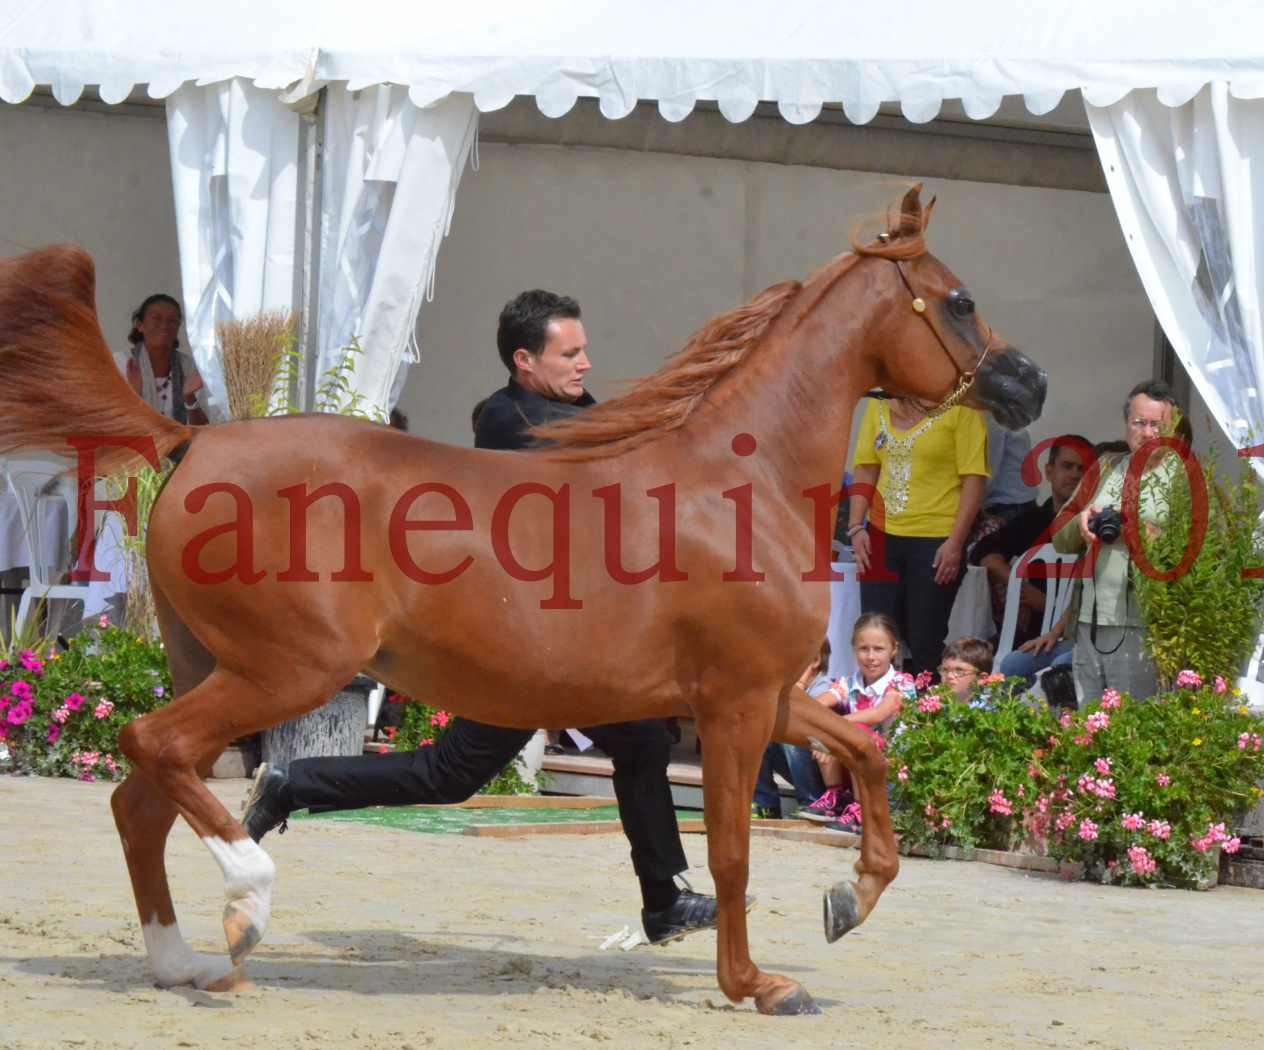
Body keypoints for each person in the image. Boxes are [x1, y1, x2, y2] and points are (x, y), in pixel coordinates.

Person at [243, 289, 718, 945]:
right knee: (450, 775)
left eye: (584, 350)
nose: (585, 363)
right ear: (525, 360)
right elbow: (598, 469)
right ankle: (293, 782)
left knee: (639, 740)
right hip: (512, 643)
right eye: (570, 353)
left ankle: (663, 902)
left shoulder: (579, 410)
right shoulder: (506, 419)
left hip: (568, 642)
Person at [1049, 381, 1178, 704]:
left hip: (1142, 624)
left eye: (1156, 425)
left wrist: (1133, 531)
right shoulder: (1106, 466)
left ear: (1171, 428)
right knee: (1089, 723)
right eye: (1139, 423)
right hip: (1089, 619)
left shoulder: (1185, 478)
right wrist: (1080, 524)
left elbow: (1193, 550)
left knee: (1132, 724)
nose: (1147, 433)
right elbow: (1059, 536)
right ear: (1126, 424)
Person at [847, 394, 988, 674]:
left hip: (937, 540)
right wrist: (855, 527)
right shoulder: (878, 404)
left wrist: (956, 542)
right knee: (875, 633)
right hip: (880, 535)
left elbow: (974, 479)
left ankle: (926, 710)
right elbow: (865, 467)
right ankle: (875, 711)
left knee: (924, 637)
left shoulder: (964, 408)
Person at [970, 435, 1095, 681]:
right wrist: (1020, 587)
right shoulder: (1032, 521)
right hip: (1033, 637)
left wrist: (1049, 602)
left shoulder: (1096, 524)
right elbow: (983, 553)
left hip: (1079, 638)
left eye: (1082, 469)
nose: (1074, 475)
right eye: (1067, 466)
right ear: (1049, 471)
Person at [799, 613, 914, 832]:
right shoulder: (847, 683)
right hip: (857, 768)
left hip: (892, 772)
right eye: (863, 649)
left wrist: (837, 726)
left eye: (879, 649)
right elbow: (814, 707)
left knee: (852, 729)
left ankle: (864, 810)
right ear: (854, 650)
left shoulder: (902, 682)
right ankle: (836, 797)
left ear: (894, 649)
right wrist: (803, 681)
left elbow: (880, 713)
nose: (871, 657)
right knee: (827, 725)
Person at [752, 641, 831, 819]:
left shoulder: (823, 687)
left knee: (793, 738)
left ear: (815, 660)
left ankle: (811, 802)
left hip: (824, 767)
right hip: (801, 765)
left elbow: (806, 724)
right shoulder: (788, 686)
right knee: (760, 735)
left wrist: (800, 685)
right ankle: (766, 804)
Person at [123, 294, 207, 425]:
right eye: (156, 318)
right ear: (140, 325)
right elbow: (111, 424)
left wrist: (189, 398)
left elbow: (203, 429)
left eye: (172, 321)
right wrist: (134, 394)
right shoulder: (121, 363)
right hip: (135, 445)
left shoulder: (188, 367)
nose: (165, 325)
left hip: (183, 445)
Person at [938, 636, 995, 705]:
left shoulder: (986, 712)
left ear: (982, 678)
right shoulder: (936, 706)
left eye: (959, 671)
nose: (949, 676)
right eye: (945, 670)